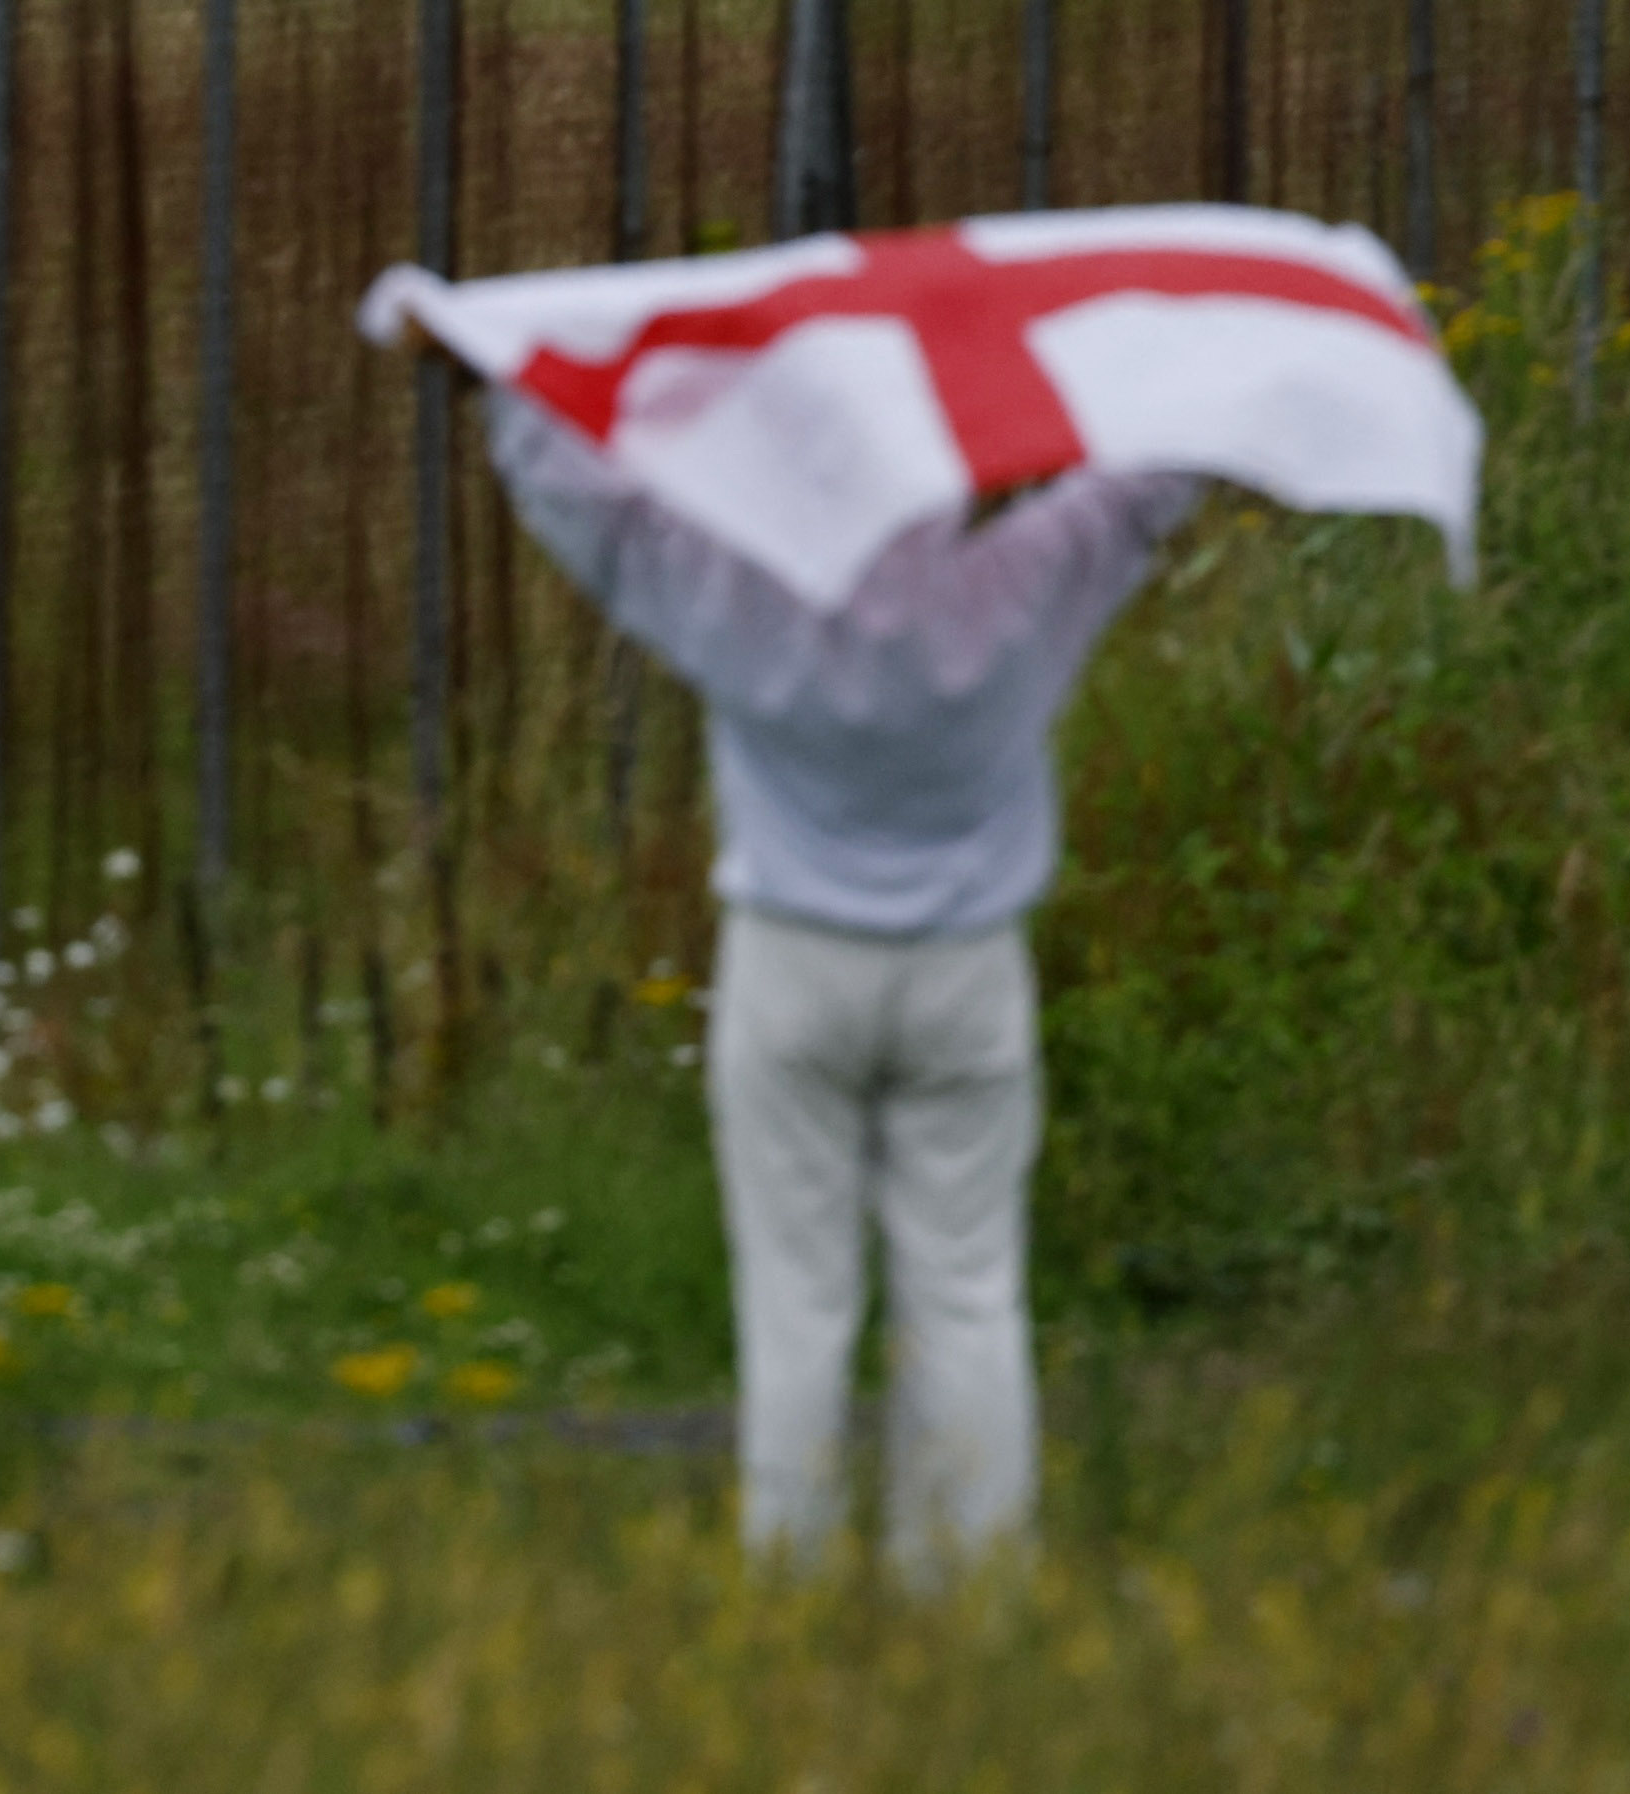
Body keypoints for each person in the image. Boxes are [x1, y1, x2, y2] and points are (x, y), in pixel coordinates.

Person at [483, 381, 1198, 1573]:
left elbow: (595, 514)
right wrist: (1195, 356)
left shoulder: (750, 592)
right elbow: (1139, 490)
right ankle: (968, 1595)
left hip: (790, 960)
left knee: (796, 1305)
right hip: (967, 968)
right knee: (967, 1293)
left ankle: (792, 1587)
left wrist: (504, 387)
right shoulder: (1016, 580)